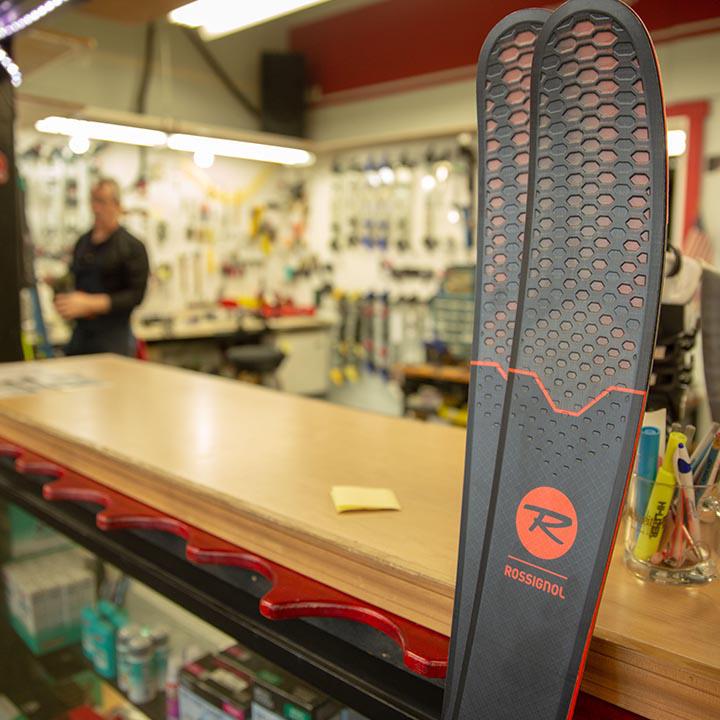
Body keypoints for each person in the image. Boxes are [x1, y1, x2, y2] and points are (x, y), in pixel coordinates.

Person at [55, 178, 149, 357]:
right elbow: (74, 280)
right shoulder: (83, 243)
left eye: (102, 202)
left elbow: (135, 295)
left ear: (117, 205)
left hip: (114, 337)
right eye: (93, 201)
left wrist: (90, 303)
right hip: (81, 335)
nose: (96, 208)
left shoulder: (132, 247)